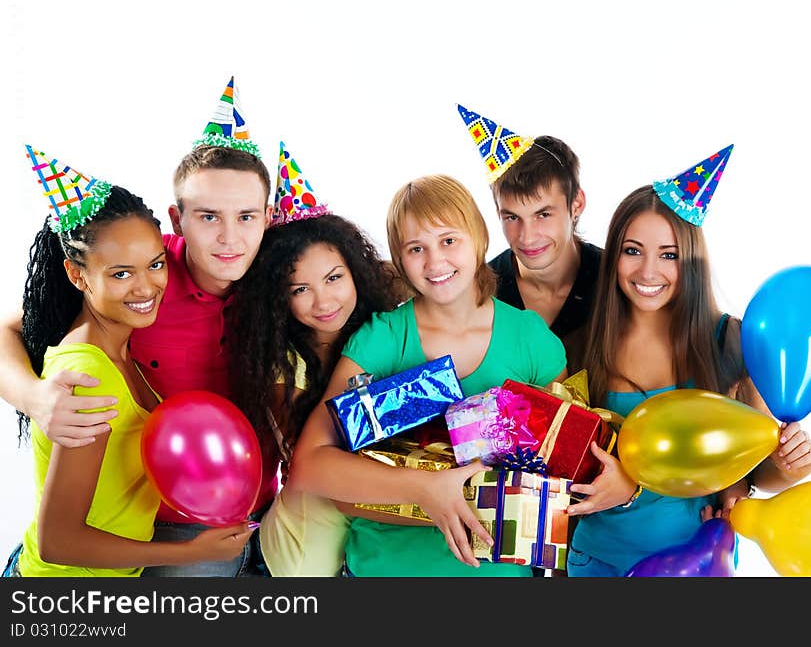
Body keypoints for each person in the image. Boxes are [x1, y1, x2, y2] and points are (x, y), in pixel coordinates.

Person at [0, 78, 276, 576]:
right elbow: (13, 328)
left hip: (265, 515)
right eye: (209, 216)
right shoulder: (139, 287)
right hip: (164, 528)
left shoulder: (284, 281)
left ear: (267, 218)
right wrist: (35, 398)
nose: (229, 237)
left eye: (246, 216)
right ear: (179, 219)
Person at [286, 173, 568, 576]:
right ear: (400, 260)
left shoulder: (531, 340)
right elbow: (310, 465)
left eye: (449, 240)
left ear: (478, 238)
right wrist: (425, 490)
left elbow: (564, 468)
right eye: (416, 248)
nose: (435, 262)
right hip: (386, 569)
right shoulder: (380, 340)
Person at [565, 145, 811, 577]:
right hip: (596, 562)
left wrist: (795, 464)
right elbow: (565, 473)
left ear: (692, 261)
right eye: (632, 250)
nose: (649, 271)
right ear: (613, 257)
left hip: (695, 564)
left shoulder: (729, 342)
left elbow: (750, 476)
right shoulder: (580, 348)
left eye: (669, 254)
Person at [227, 143, 402, 576]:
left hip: (381, 512)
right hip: (311, 529)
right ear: (279, 299)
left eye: (333, 278)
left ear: (356, 271)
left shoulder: (384, 327)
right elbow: (320, 469)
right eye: (299, 289)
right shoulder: (283, 367)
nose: (323, 300)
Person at [456, 105, 602, 373]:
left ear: (576, 203)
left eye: (543, 214)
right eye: (512, 217)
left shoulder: (616, 279)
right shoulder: (481, 290)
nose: (527, 237)